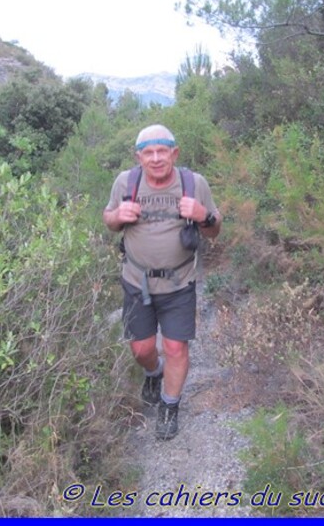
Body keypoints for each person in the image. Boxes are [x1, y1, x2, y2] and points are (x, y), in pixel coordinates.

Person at [103, 124, 221, 440]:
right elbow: (109, 219)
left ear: (174, 153)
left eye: (162, 151)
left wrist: (203, 216)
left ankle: (170, 406)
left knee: (175, 347)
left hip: (180, 282)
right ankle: (154, 373)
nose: (156, 159)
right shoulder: (126, 182)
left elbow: (214, 230)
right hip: (136, 281)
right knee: (141, 349)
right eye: (148, 153)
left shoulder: (194, 184)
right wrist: (118, 217)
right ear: (139, 156)